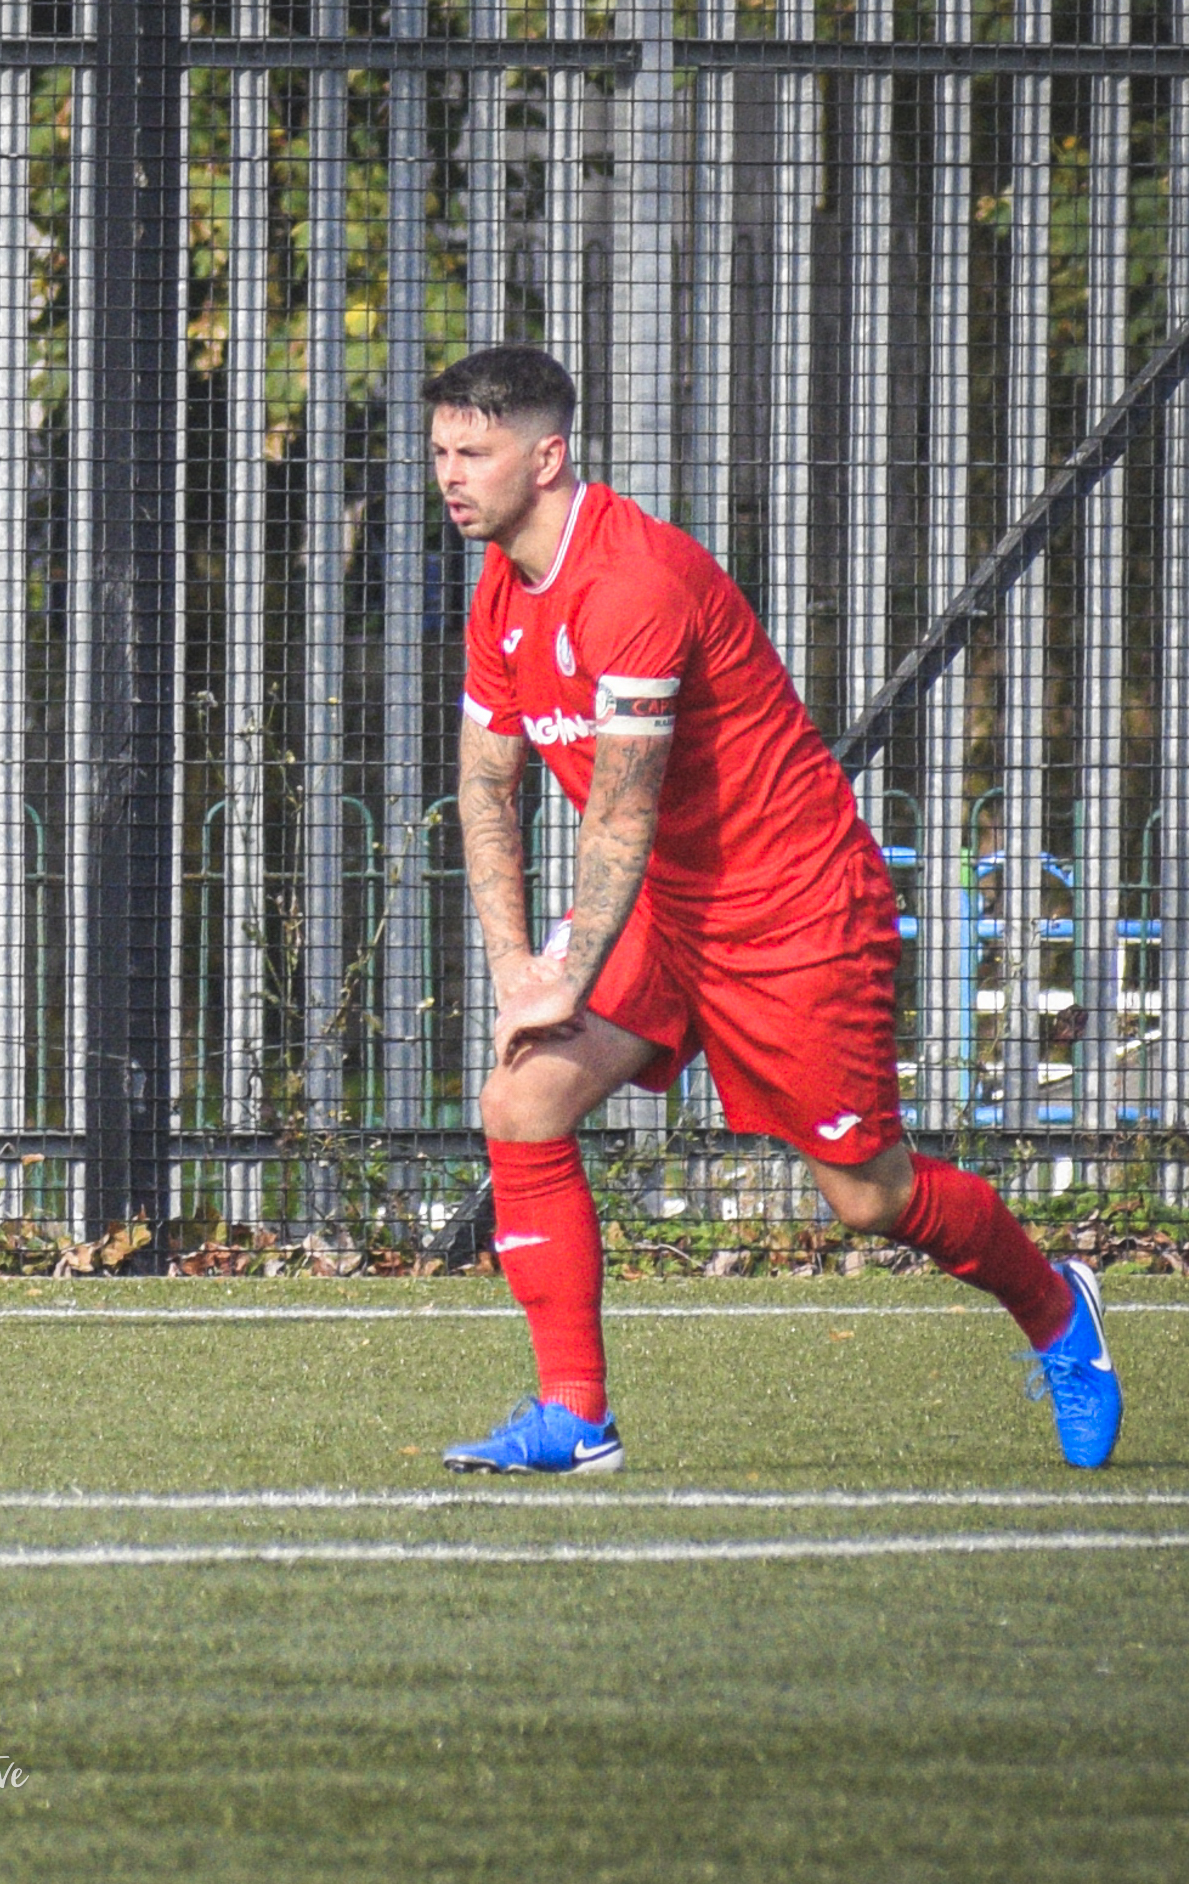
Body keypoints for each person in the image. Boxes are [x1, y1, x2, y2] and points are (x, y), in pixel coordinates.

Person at [429, 344, 1122, 1475]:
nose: (451, 473)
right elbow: (484, 783)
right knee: (522, 1099)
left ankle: (1056, 1310)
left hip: (792, 907)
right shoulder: (503, 596)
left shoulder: (637, 581)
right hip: (664, 911)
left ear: (548, 457)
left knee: (868, 1194)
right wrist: (516, 964)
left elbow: (622, 812)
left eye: (477, 451)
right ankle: (576, 1416)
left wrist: (565, 966)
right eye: (442, 451)